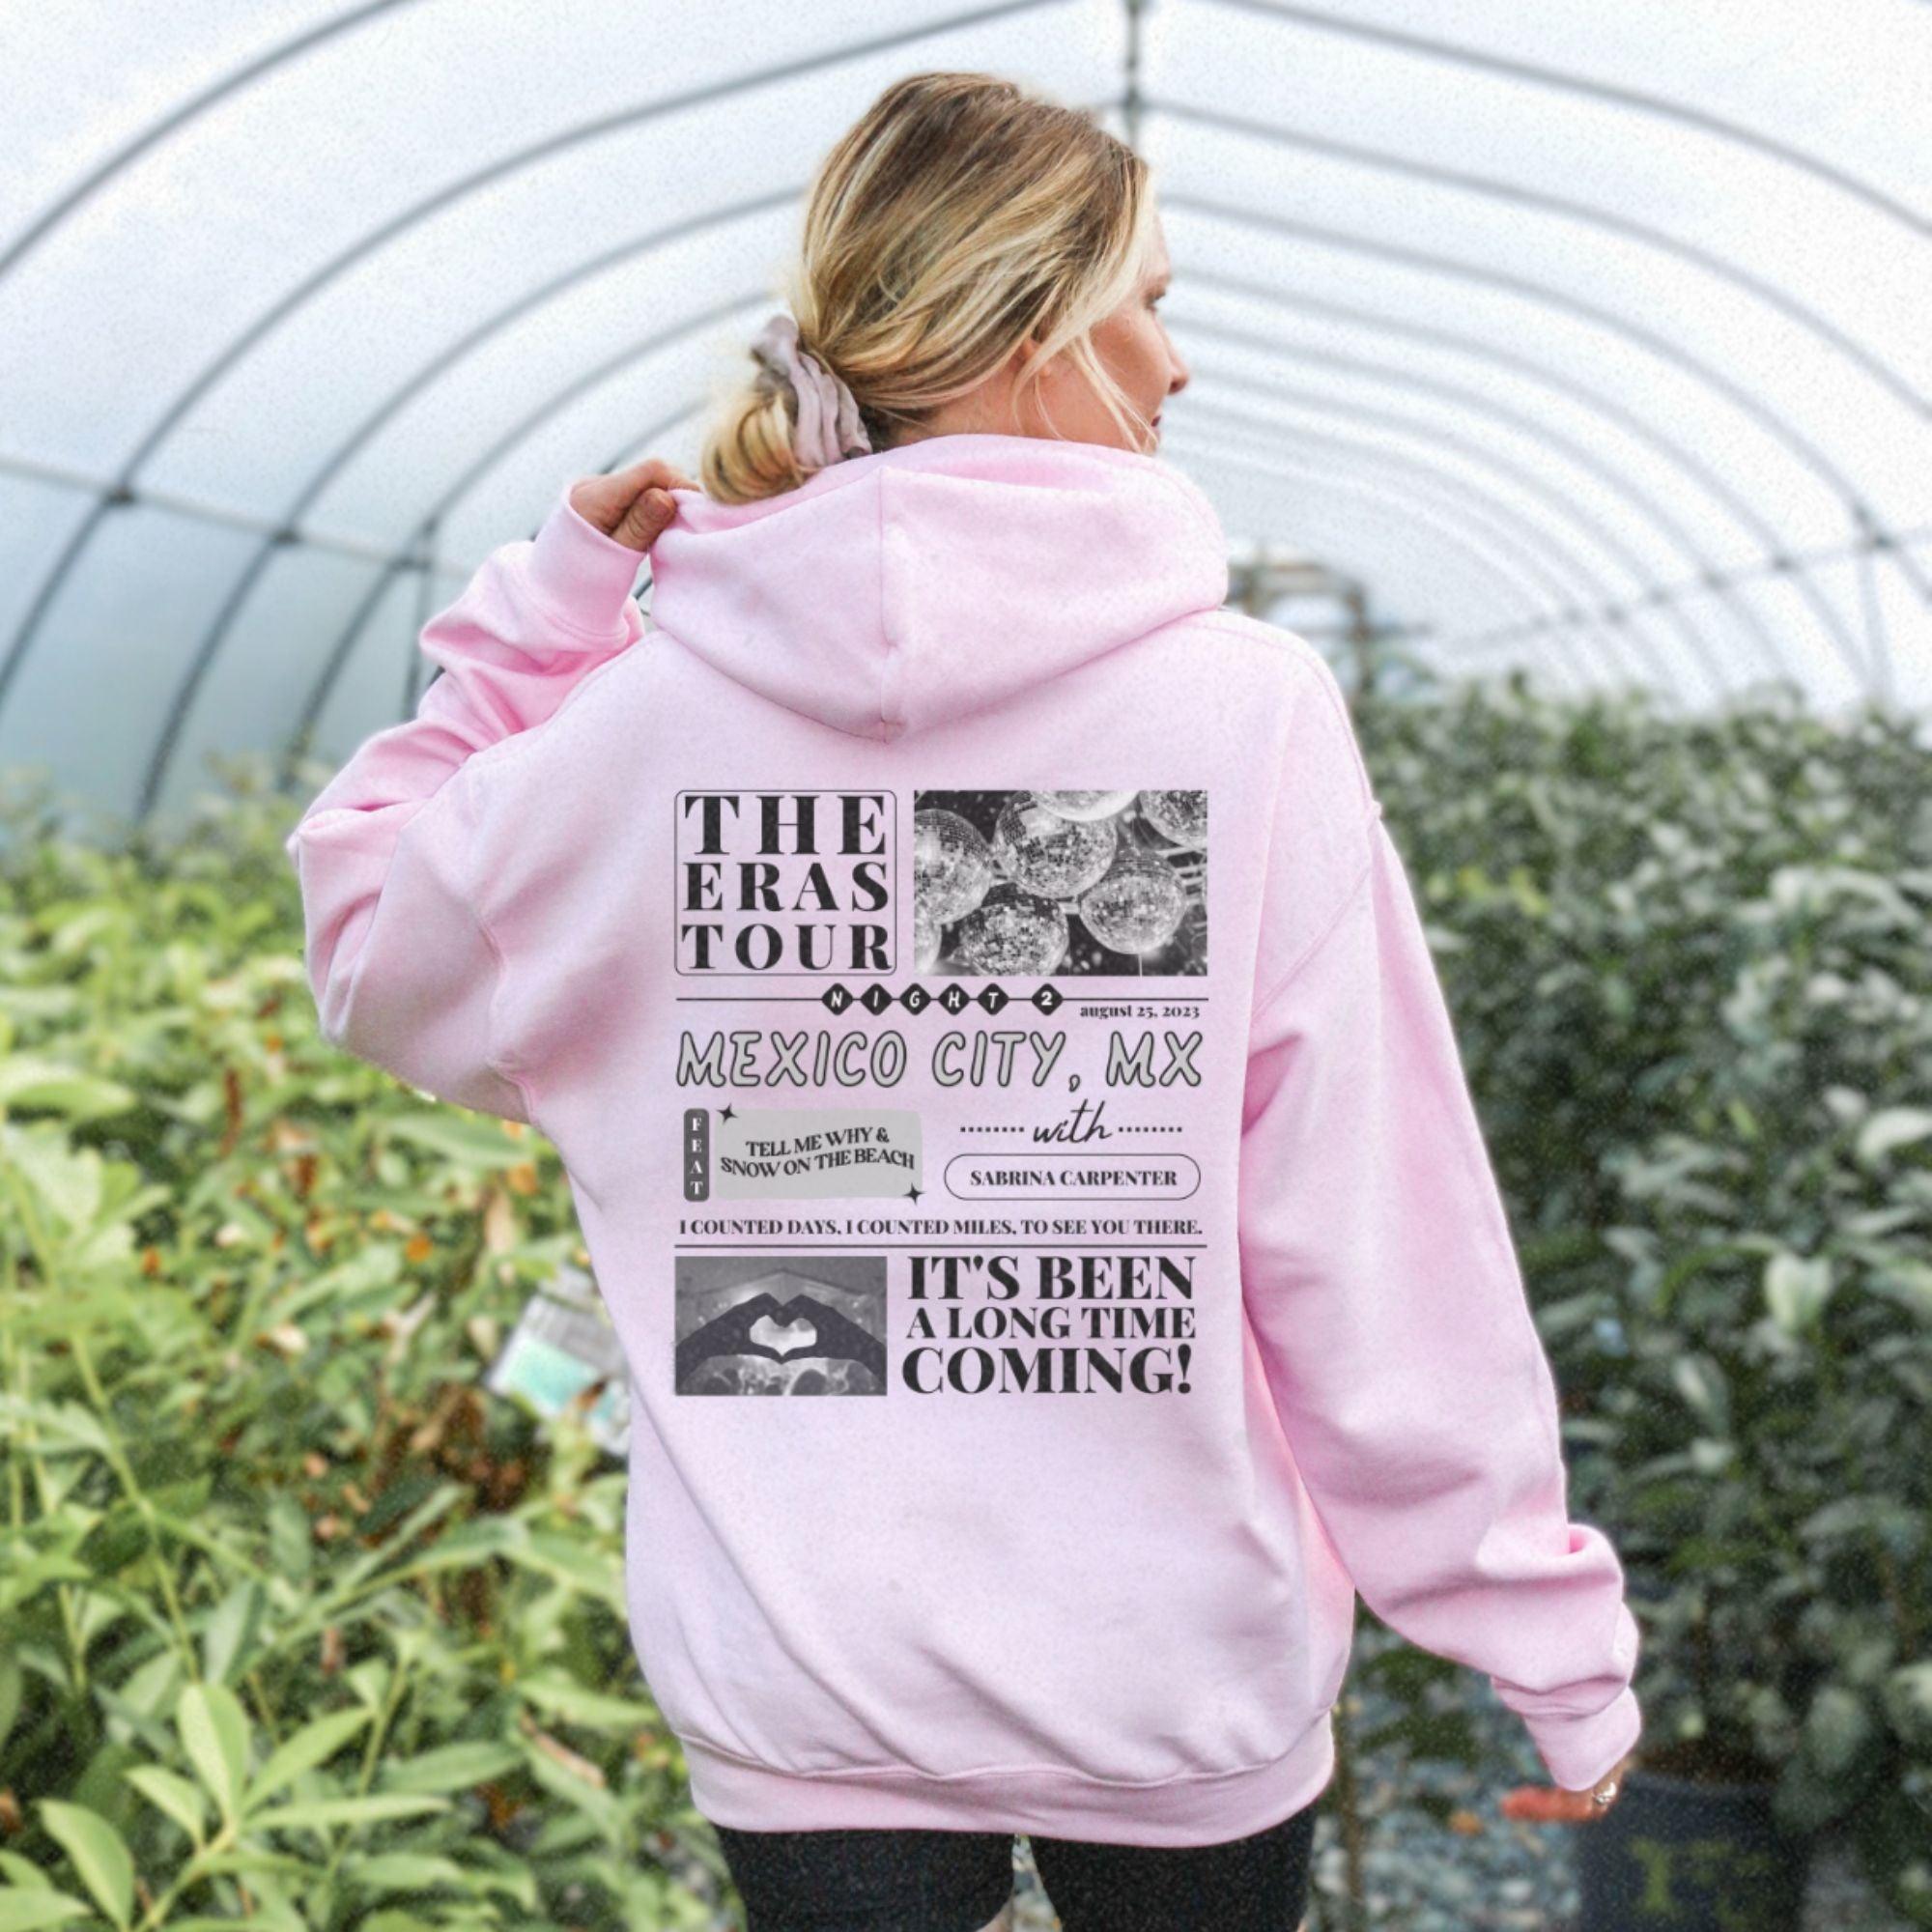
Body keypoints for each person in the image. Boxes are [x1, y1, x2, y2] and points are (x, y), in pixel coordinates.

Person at [285, 70, 1642, 1932]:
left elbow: (372, 941)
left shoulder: (648, 727)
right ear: (1030, 326)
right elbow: (1364, 1226)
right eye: (1151, 301)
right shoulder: (1241, 714)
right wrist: (1549, 1642)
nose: (1178, 363)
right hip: (1177, 1692)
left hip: (801, 1686)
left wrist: (545, 626)